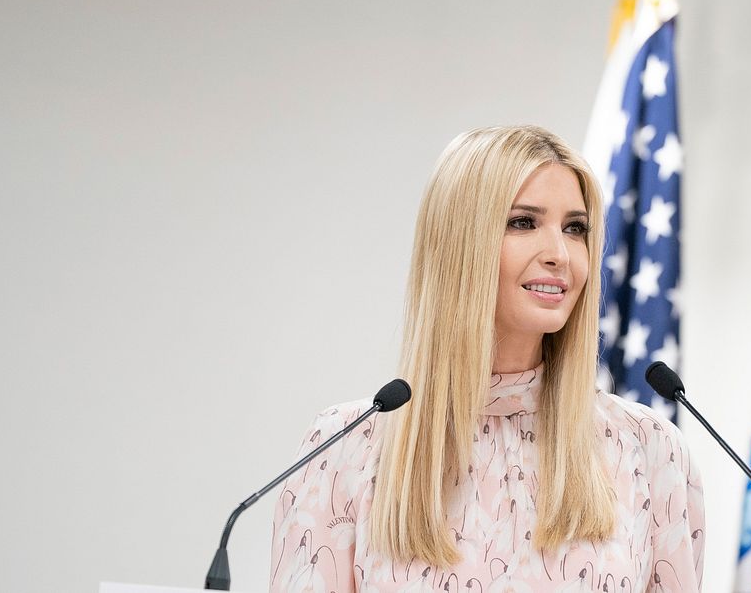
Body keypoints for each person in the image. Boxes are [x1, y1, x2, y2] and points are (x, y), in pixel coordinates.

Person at [270, 126, 704, 592]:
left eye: (574, 228)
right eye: (523, 222)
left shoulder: (648, 448)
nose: (560, 254)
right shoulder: (345, 449)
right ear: (459, 246)